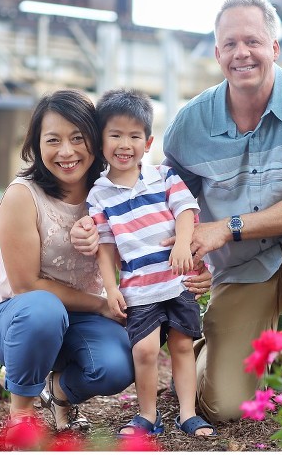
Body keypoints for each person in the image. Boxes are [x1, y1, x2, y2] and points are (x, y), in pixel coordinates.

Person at [71, 0, 282, 423]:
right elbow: (162, 200)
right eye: (230, 44)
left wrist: (225, 228)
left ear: (274, 49)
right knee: (224, 408)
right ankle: (216, 349)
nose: (242, 53)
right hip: (241, 269)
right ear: (218, 54)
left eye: (254, 42)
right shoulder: (191, 123)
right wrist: (184, 253)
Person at [0, 89, 213, 448]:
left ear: (94, 141)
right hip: (20, 317)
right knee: (42, 309)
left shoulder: (108, 192)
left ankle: (58, 391)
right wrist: (104, 304)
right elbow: (27, 286)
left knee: (119, 364)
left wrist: (192, 265)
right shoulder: (22, 196)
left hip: (81, 318)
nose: (67, 151)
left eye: (78, 139)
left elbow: (142, 244)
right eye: (53, 140)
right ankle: (21, 415)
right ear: (36, 145)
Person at [86, 89, 217, 437]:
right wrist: (111, 288)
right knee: (143, 350)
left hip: (176, 280)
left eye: (134, 136)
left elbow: (187, 211)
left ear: (148, 141)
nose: (124, 144)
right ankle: (146, 415)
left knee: (182, 344)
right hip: (139, 287)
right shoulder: (98, 194)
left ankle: (188, 413)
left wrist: (184, 244)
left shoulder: (164, 176)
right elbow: (104, 245)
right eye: (115, 135)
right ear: (101, 142)